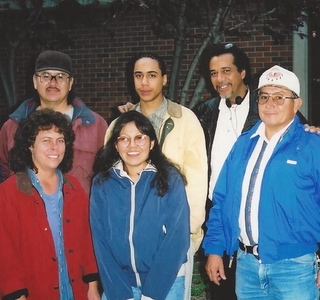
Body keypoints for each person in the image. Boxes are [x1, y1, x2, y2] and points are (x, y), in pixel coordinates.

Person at [193, 43, 313, 300]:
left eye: (280, 97)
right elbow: (221, 197)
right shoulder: (242, 143)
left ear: (297, 104)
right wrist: (214, 248)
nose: (270, 103)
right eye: (265, 96)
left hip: (294, 267)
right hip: (245, 264)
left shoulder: (311, 144)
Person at [107, 52, 208, 299]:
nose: (144, 82)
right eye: (138, 76)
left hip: (172, 241)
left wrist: (186, 234)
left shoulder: (185, 120)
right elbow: (110, 185)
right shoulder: (118, 125)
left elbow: (197, 180)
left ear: (163, 79)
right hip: (128, 247)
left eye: (151, 75)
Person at [0, 109, 100, 300]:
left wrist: (93, 287)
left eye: (60, 140)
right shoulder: (9, 192)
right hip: (33, 292)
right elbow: (5, 253)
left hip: (75, 291)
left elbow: (87, 241)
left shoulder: (75, 187)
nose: (55, 147)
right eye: (46, 140)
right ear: (30, 145)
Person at [90, 110, 190, 300]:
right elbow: (100, 240)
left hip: (166, 283)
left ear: (152, 143)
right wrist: (119, 293)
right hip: (119, 284)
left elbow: (178, 238)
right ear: (116, 145)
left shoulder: (170, 179)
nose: (132, 145)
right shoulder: (102, 183)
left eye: (140, 137)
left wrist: (152, 293)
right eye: (124, 139)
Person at [0, 50, 108, 195]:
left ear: (70, 83)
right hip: (26, 215)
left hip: (80, 215)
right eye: (46, 76)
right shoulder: (13, 126)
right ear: (34, 81)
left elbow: (107, 175)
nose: (53, 82)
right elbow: (4, 172)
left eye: (61, 76)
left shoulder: (96, 126)